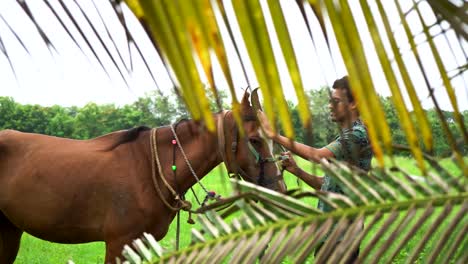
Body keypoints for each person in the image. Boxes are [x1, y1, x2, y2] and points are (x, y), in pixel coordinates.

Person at [257, 76, 372, 263]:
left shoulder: (357, 136)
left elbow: (318, 156)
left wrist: (274, 136)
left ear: (353, 104)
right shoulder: (346, 137)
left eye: (336, 102)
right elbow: (327, 186)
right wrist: (297, 171)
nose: (329, 106)